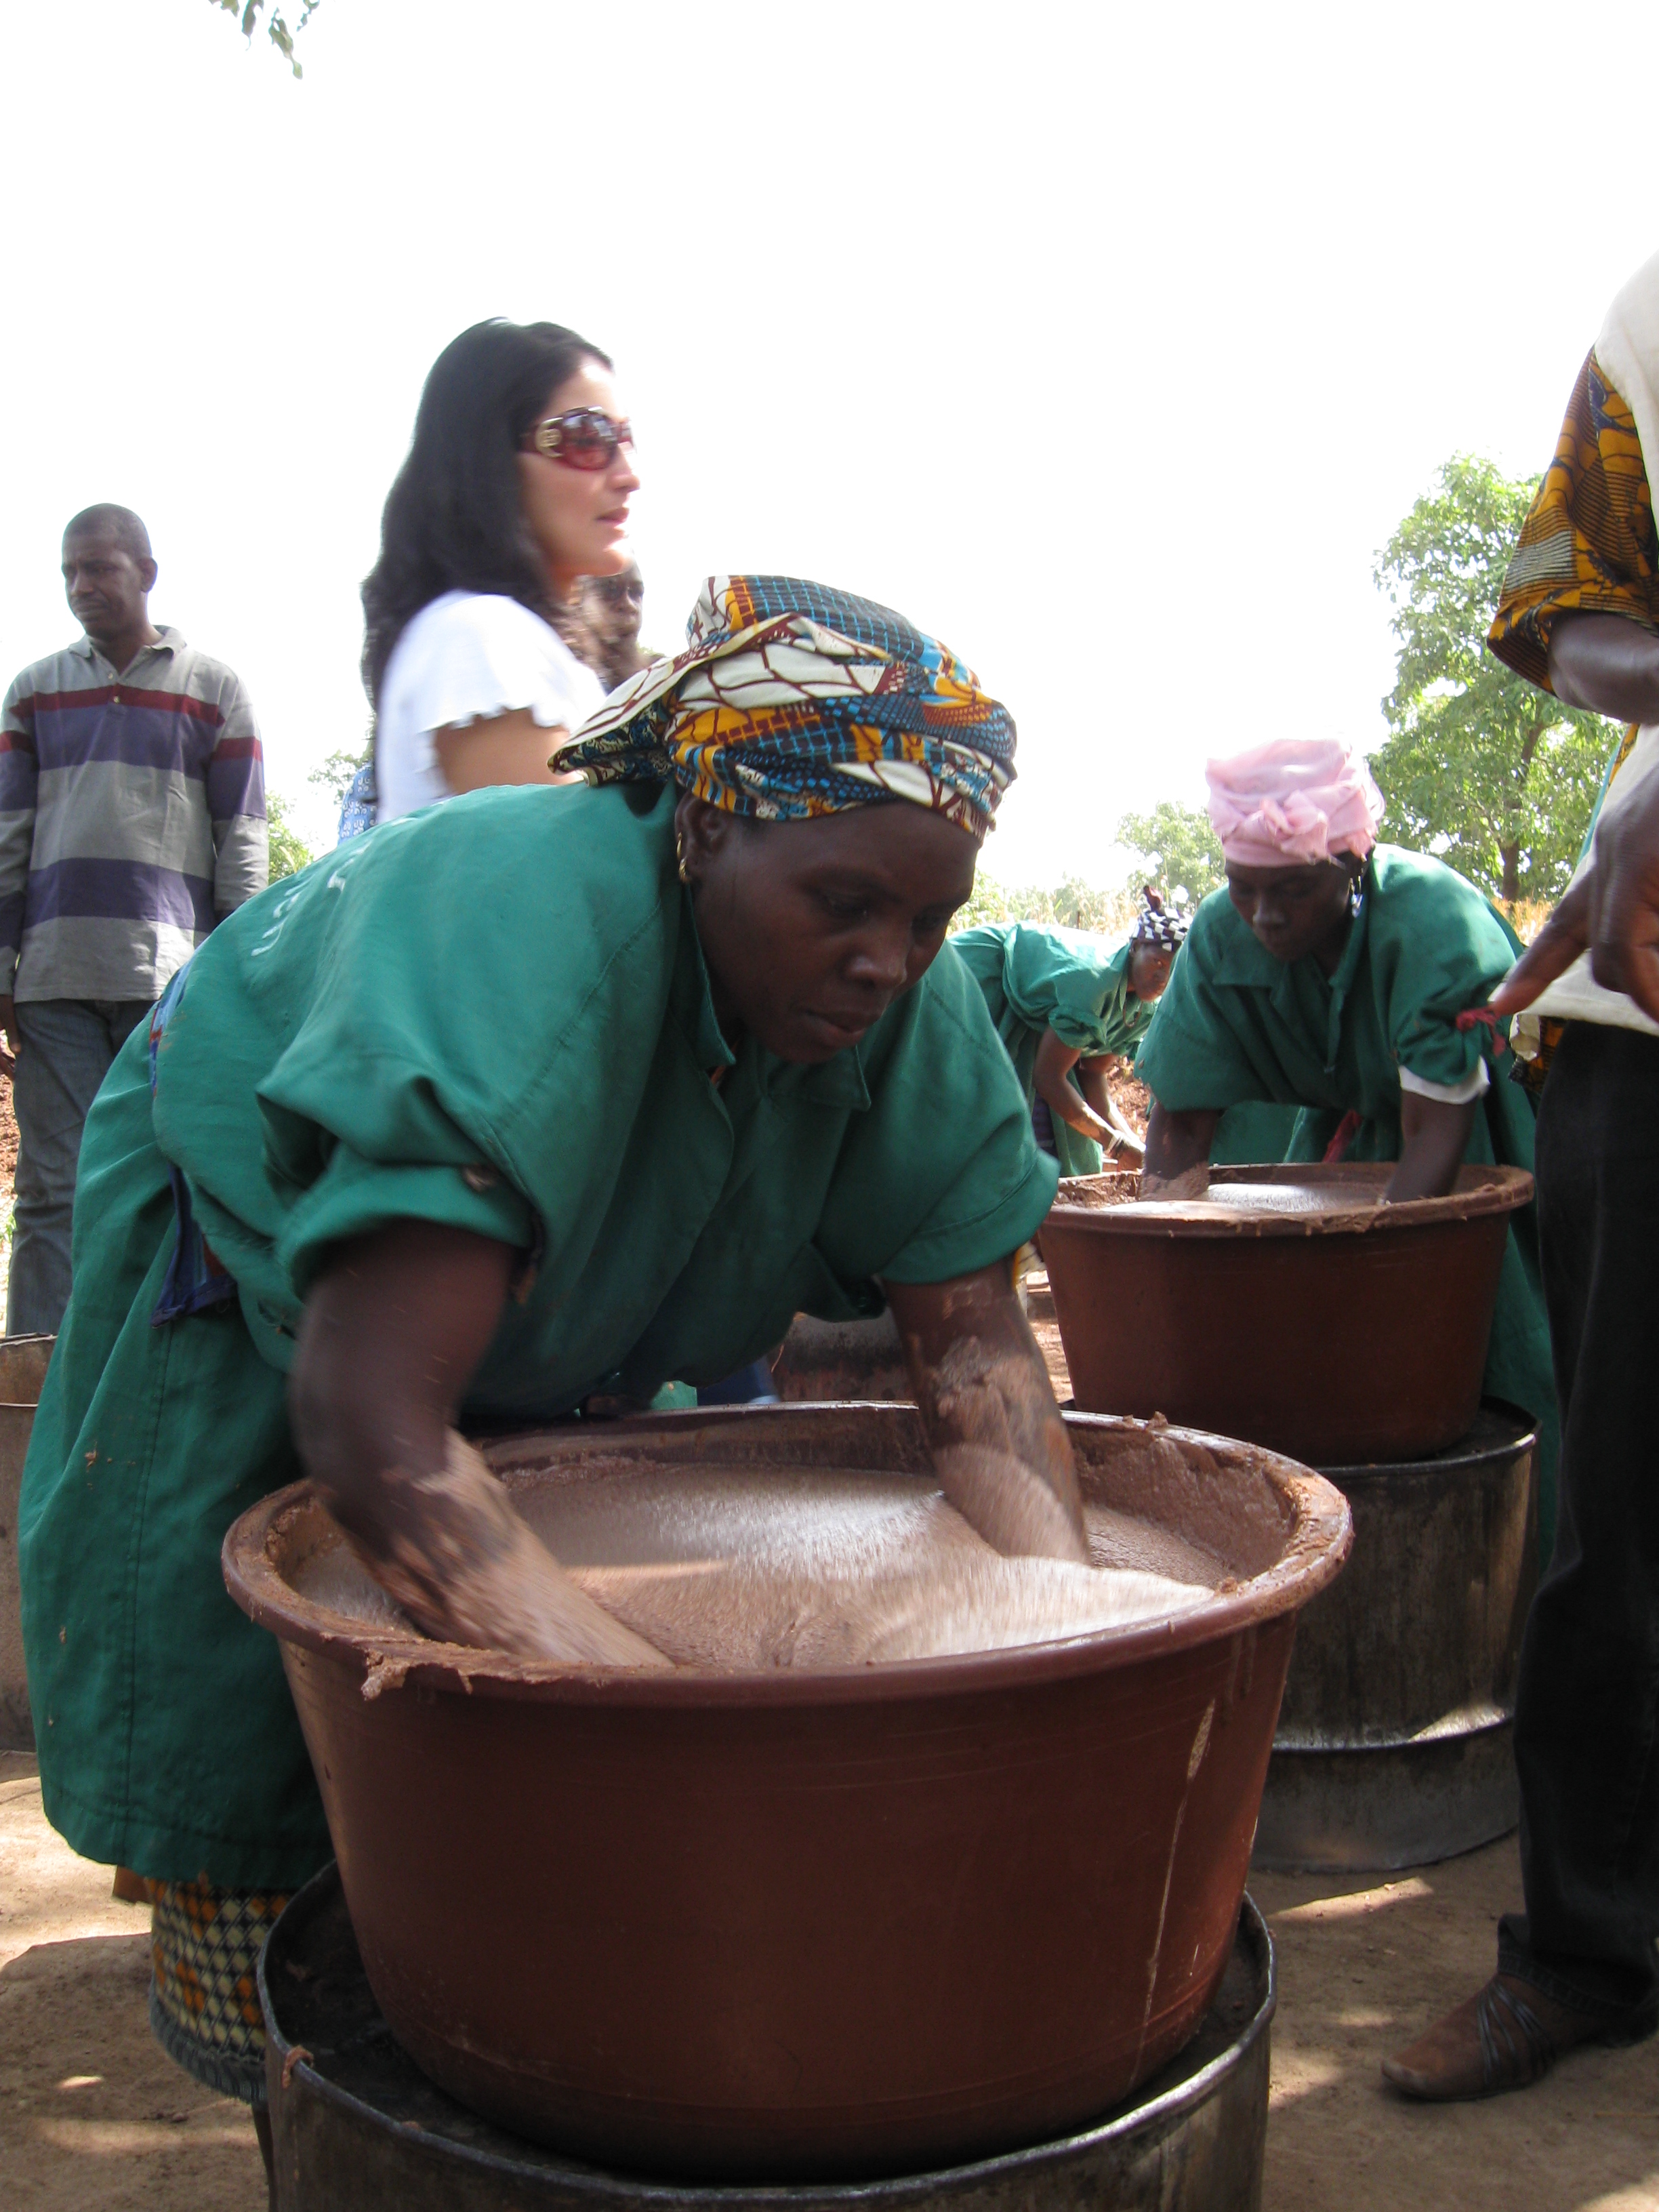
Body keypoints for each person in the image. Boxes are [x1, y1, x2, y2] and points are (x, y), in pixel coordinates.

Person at [19, 575, 1079, 2165]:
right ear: (706, 827)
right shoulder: (526, 927)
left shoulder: (894, 1019)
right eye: (844, 901)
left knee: (541, 1718)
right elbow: (372, 1423)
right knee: (289, 1722)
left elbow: (979, 1353)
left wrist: (1065, 1638)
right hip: (262, 1280)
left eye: (927, 922)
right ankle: (329, 2121)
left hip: (490, 1325)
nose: (886, 962)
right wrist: (673, 1744)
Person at [1382, 247, 1659, 2102]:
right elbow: (1579, 617)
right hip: (1646, 1028)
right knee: (1620, 1524)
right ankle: (1590, 1946)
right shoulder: (1657, 320)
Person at [1134, 738, 1559, 1542]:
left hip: (1472, 1137)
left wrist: (1371, 1289)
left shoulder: (1432, 918)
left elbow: (1437, 1132)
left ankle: (1531, 1575)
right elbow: (1182, 1122)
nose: (1266, 915)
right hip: (1350, 1138)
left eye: (1293, 889)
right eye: (1245, 887)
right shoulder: (1223, 935)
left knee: (1495, 1348)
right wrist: (1170, 1278)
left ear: (1351, 870)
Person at [0, 504, 266, 1336]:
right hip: (53, 980)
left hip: (171, 982)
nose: (83, 587)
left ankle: (139, 1374)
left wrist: (236, 978)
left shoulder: (211, 687)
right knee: (53, 1189)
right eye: (71, 572)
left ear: (145, 573)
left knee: (163, 1181)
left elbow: (243, 844)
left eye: (101, 568)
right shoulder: (35, 691)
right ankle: (33, 1387)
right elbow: (7, 839)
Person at [361, 319, 637, 824]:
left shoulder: (522, 645)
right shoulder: (478, 638)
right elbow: (569, 880)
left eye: (625, 437)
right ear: (489, 462)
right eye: (587, 437)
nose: (627, 475)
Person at [950, 887, 1187, 1176]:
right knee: (986, 1118)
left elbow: (1092, 1074)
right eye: (1157, 963)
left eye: (1172, 968)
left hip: (1035, 1021)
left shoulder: (1143, 1009)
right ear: (1136, 947)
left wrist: (1138, 1150)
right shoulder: (1095, 983)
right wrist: (1117, 1147)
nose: (1163, 977)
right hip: (982, 976)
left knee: (1073, 1148)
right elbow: (1048, 1077)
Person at [582, 558, 659, 692]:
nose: (630, 605)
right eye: (611, 591)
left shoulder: (664, 680)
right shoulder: (559, 679)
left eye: (637, 592)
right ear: (576, 600)